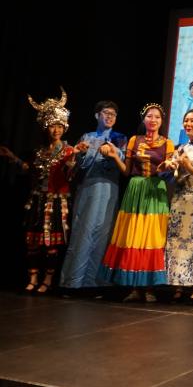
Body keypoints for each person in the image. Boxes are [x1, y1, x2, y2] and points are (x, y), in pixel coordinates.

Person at [1, 88, 75, 294]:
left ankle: (48, 279)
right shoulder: (39, 151)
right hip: (37, 200)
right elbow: (29, 169)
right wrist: (13, 158)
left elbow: (70, 175)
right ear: (46, 127)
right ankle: (33, 277)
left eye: (60, 126)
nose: (56, 130)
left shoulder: (69, 150)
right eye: (52, 125)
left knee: (51, 242)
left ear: (64, 127)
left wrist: (72, 162)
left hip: (56, 201)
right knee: (32, 241)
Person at [98, 103, 174, 302]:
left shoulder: (168, 143)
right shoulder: (134, 140)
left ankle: (149, 288)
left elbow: (169, 175)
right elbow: (126, 171)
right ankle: (133, 287)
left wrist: (165, 169)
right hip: (135, 189)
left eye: (157, 117)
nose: (153, 120)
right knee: (133, 236)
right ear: (144, 119)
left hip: (155, 192)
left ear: (162, 121)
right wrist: (114, 156)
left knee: (151, 238)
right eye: (149, 116)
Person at [60, 100, 127, 291]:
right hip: (87, 188)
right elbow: (78, 165)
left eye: (113, 114)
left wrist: (113, 151)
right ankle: (73, 281)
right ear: (97, 115)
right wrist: (79, 152)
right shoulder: (87, 137)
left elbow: (124, 162)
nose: (110, 117)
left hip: (108, 189)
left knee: (102, 232)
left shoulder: (120, 138)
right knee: (82, 231)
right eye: (106, 113)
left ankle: (96, 283)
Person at [163, 110, 193, 302]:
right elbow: (173, 177)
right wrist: (171, 167)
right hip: (179, 197)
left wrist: (187, 163)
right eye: (186, 121)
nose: (188, 124)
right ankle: (177, 285)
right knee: (175, 241)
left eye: (192, 121)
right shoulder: (180, 147)